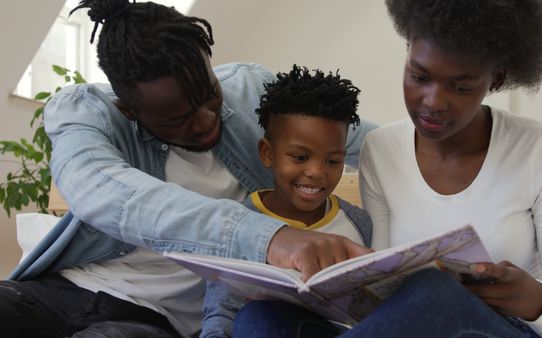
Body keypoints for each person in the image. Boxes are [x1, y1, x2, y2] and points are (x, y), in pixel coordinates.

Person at [0, 1, 376, 337]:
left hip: (156, 321)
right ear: (128, 110)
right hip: (58, 292)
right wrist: (269, 238)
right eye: (180, 116)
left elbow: (368, 140)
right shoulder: (87, 112)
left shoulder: (251, 92)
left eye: (210, 94)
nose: (206, 120)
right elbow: (105, 193)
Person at [357, 0, 542, 337]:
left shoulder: (537, 147)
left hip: (504, 328)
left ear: (495, 80)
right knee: (266, 316)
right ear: (408, 50)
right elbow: (380, 289)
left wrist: (533, 300)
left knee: (435, 289)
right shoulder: (380, 150)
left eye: (461, 87)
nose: (433, 102)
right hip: (410, 326)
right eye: (419, 76)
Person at [201, 64, 373, 338]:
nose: (317, 172)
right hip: (276, 330)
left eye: (333, 161)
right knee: (256, 319)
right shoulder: (238, 226)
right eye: (300, 157)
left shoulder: (359, 222)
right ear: (267, 153)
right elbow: (221, 312)